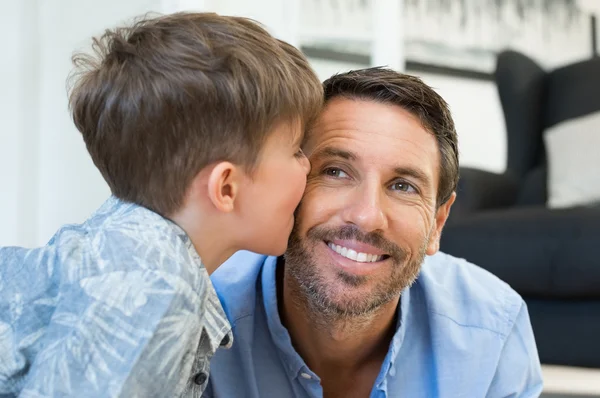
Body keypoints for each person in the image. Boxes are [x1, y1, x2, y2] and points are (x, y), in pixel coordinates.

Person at [0, 12, 322, 397]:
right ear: (226, 188)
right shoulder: (155, 283)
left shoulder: (129, 242)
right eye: (296, 151)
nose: (309, 165)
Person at [207, 67, 543, 397]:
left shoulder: (493, 330)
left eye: (403, 186)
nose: (367, 217)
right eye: (336, 172)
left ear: (438, 222)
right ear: (287, 186)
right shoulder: (200, 310)